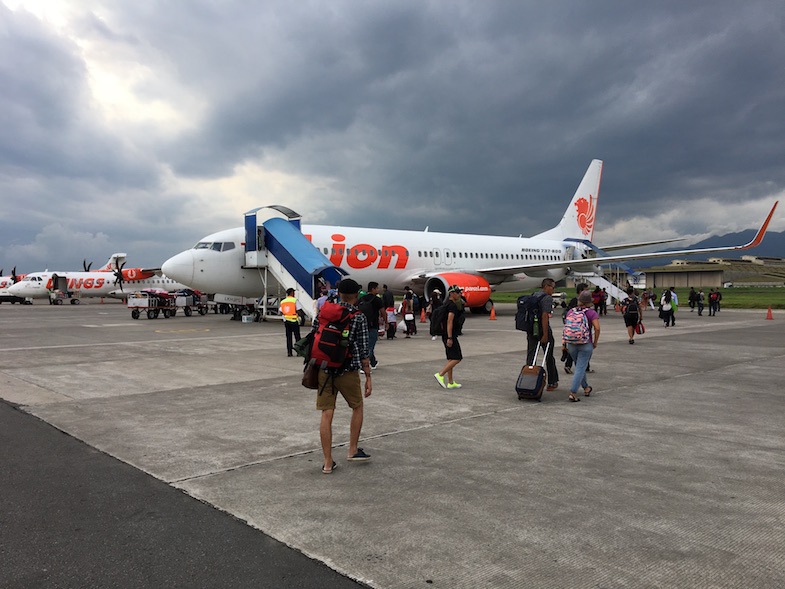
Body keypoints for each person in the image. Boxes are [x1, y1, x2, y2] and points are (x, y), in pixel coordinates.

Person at [314, 278, 372, 474]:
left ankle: (328, 462)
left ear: (338, 293)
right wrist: (368, 377)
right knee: (357, 407)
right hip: (347, 370)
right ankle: (352, 449)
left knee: (326, 413)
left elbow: (315, 333)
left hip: (324, 369)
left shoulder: (325, 312)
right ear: (356, 296)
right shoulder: (358, 316)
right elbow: (364, 350)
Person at [564, 290, 600, 402]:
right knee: (580, 368)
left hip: (571, 344)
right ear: (589, 302)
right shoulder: (591, 313)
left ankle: (586, 388)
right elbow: (597, 328)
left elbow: (567, 327)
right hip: (585, 343)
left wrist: (564, 343)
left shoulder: (571, 311)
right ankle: (573, 392)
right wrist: (595, 342)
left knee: (580, 367)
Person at [526, 278, 558, 392]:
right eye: (553, 287)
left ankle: (529, 381)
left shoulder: (533, 295)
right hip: (542, 330)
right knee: (548, 356)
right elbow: (545, 317)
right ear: (547, 286)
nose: (553, 290)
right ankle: (552, 382)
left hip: (531, 330)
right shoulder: (547, 298)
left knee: (531, 356)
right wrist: (545, 334)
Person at [434, 285, 465, 389]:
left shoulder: (447, 304)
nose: (459, 294)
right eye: (457, 292)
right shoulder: (452, 306)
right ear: (451, 294)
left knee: (451, 358)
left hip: (445, 334)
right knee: (457, 358)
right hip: (449, 335)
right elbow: (449, 321)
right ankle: (440, 374)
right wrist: (450, 338)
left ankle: (450, 382)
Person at [562, 283, 591, 375]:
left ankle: (576, 366)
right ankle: (582, 367)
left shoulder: (575, 301)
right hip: (580, 329)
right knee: (584, 348)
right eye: (585, 290)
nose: (587, 292)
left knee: (576, 348)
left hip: (574, 329)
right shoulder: (578, 302)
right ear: (580, 291)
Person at [358, 282, 385, 370]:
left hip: (362, 325)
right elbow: (383, 312)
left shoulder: (362, 298)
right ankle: (364, 367)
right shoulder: (377, 300)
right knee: (370, 346)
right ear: (373, 289)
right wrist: (386, 322)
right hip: (373, 325)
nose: (378, 290)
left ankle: (373, 362)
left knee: (365, 345)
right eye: (377, 288)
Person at [279, 288, 303, 357]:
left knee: (289, 337)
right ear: (291, 293)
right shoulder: (294, 300)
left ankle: (289, 352)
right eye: (294, 292)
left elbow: (281, 311)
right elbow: (299, 310)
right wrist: (301, 317)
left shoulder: (283, 301)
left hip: (287, 321)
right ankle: (298, 352)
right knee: (297, 337)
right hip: (294, 320)